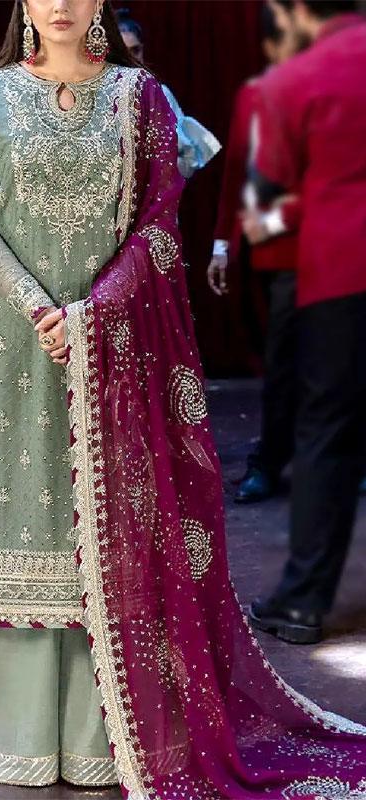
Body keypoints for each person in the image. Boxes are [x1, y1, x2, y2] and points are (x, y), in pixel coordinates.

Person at [0, 0, 366, 796]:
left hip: (118, 337)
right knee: (18, 507)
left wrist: (95, 312)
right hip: (13, 338)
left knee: (116, 516)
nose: (60, 4)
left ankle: (107, 728)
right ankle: (4, 727)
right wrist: (37, 307)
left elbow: (160, 224)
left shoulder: (139, 96)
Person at [248, 0, 366, 645]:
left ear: (295, 10)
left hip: (340, 271)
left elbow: (274, 183)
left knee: (327, 430)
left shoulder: (292, 81)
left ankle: (301, 605)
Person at [208, 0, 302, 504]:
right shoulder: (257, 95)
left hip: (333, 244)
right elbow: (235, 174)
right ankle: (272, 459)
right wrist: (223, 244)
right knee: (283, 361)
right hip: (279, 256)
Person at [116, 7, 221, 179]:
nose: (131, 60)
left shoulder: (160, 95)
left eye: (135, 51)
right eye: (123, 53)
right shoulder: (96, 98)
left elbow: (187, 160)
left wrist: (161, 168)